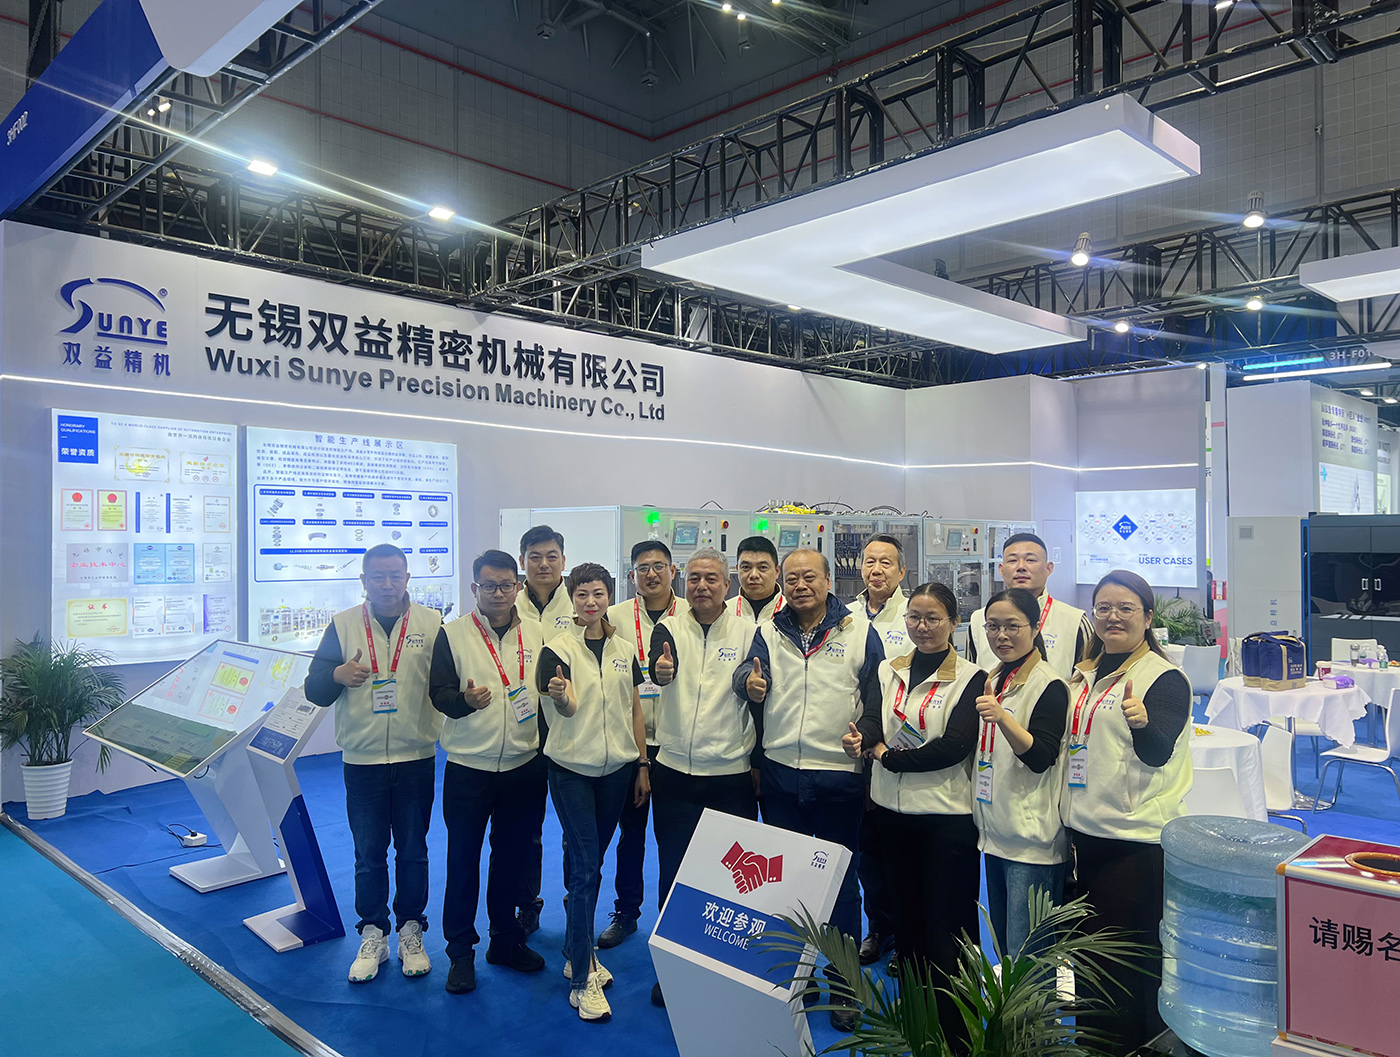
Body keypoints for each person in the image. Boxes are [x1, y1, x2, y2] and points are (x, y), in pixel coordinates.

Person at [741, 547, 883, 1032]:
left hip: (839, 776)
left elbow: (877, 698)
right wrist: (748, 684)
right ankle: (798, 977)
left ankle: (844, 984)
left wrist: (865, 734)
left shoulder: (859, 631)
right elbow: (748, 675)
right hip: (781, 773)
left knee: (841, 883)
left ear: (828, 581)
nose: (801, 586)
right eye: (792, 579)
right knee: (787, 882)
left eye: (810, 577)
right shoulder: (769, 630)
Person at [845, 581, 985, 1052]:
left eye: (933, 619)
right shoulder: (889, 669)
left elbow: (955, 745)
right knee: (906, 920)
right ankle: (917, 1013)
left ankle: (957, 1027)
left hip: (945, 819)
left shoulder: (972, 678)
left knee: (946, 925)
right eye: (915, 618)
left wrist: (887, 757)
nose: (923, 627)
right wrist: (862, 739)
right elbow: (872, 717)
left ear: (954, 623)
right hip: (891, 812)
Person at [1062, 570, 1192, 1056]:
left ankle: (1135, 1047)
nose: (1113, 617)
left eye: (1125, 608)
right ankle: (1092, 1045)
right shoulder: (1085, 673)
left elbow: (1158, 752)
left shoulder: (1164, 678)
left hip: (1134, 841)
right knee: (1089, 959)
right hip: (1084, 832)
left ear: (1148, 617)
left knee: (1129, 965)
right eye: (1104, 608)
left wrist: (1141, 723)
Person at [304, 544, 443, 985]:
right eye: (378, 576)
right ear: (363, 580)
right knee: (368, 853)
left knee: (414, 850)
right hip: (362, 759)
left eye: (395, 575)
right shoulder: (343, 624)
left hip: (416, 755)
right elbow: (314, 689)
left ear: (407, 578)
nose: (387, 584)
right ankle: (373, 933)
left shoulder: (432, 623)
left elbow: (446, 685)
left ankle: (411, 931)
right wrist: (337, 676)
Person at [429, 550, 548, 996]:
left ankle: (505, 941)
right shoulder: (453, 634)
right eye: (489, 586)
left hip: (523, 766)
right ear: (474, 588)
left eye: (506, 585)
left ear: (518, 586)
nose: (498, 594)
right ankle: (460, 952)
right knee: (463, 862)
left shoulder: (538, 632)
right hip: (468, 768)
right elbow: (438, 693)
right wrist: (464, 702)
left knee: (512, 859)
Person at [536, 563, 650, 1023]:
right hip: (571, 771)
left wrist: (641, 763)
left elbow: (634, 709)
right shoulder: (556, 649)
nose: (590, 602)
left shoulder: (624, 649)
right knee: (586, 869)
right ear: (572, 597)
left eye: (598, 594)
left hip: (617, 770)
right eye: (581, 594)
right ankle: (582, 978)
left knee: (589, 863)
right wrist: (561, 695)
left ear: (609, 596)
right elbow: (565, 708)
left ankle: (574, 947)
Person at [646, 548, 760, 1008]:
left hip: (729, 774)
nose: (702, 586)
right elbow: (657, 667)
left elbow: (752, 682)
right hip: (673, 771)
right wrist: (660, 671)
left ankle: (724, 965)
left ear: (727, 585)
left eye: (712, 578)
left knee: (730, 878)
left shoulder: (751, 631)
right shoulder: (668, 628)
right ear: (683, 582)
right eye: (694, 578)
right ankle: (673, 966)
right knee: (674, 873)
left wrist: (752, 687)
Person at [970, 588, 1070, 962]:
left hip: (1032, 841)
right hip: (995, 831)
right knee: (1005, 949)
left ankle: (1035, 1006)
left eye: (1012, 626)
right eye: (993, 626)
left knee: (1029, 955)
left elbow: (1041, 756)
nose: (1002, 636)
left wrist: (1003, 718)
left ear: (1035, 627)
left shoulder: (1048, 684)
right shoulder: (995, 677)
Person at [598, 540, 689, 950]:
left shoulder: (689, 615)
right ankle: (626, 912)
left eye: (659, 566)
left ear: (673, 570)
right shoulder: (614, 617)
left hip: (673, 743)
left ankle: (675, 918)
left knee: (674, 838)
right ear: (631, 574)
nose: (651, 574)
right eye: (642, 568)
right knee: (630, 834)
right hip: (629, 743)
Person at [846, 534, 908, 966]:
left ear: (902, 570)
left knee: (898, 848)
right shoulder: (846, 616)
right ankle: (879, 928)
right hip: (857, 744)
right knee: (866, 847)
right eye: (870, 561)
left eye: (886, 562)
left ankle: (906, 933)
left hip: (901, 746)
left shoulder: (914, 613)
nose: (876, 570)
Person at [514, 524, 571, 935]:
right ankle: (527, 903)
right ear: (523, 562)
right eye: (535, 557)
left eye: (552, 556)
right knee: (525, 827)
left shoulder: (582, 601)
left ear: (563, 561)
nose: (544, 564)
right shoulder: (507, 604)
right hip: (523, 732)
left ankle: (576, 904)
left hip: (571, 727)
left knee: (574, 830)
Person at [966, 533, 1092, 680]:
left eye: (1030, 560)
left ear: (1049, 568)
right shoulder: (978, 620)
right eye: (1012, 560)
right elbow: (971, 679)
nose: (1021, 567)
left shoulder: (1074, 620)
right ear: (1001, 569)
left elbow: (1087, 682)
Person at [729, 535, 785, 622]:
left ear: (777, 571)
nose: (754, 575)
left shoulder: (791, 611)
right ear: (737, 569)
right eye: (746, 567)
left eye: (763, 567)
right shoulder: (724, 612)